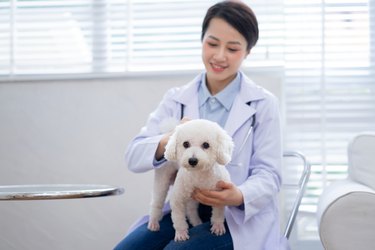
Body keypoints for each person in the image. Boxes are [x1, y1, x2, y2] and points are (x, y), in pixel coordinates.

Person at [115, 1, 287, 249]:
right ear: (202, 40)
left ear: (248, 51)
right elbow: (133, 155)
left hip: (236, 217)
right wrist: (171, 140)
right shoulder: (177, 99)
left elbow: (270, 174)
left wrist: (238, 195)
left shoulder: (264, 104)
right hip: (185, 206)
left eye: (233, 48)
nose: (219, 56)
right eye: (212, 43)